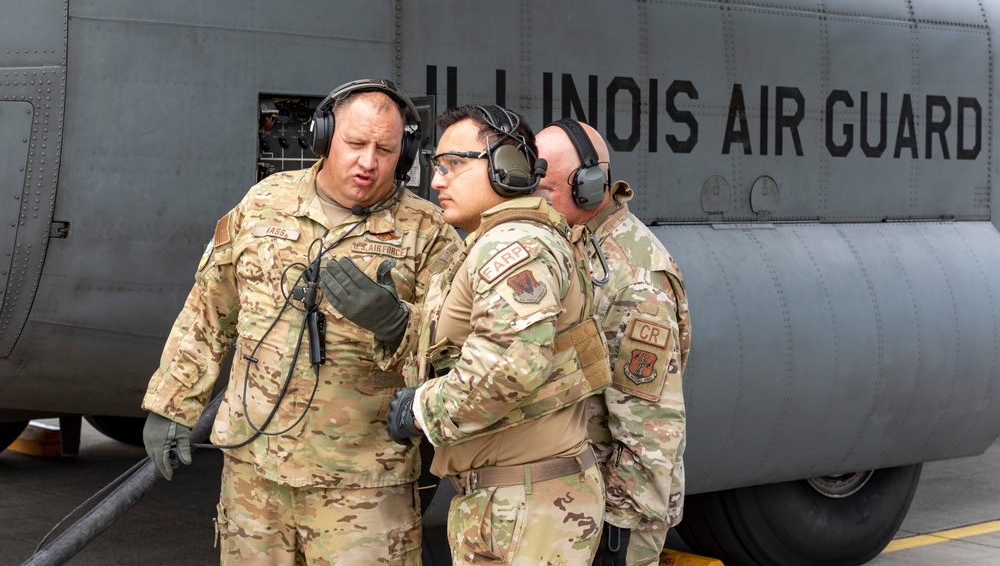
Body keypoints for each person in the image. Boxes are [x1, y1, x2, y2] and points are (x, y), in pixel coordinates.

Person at [140, 78, 460, 565]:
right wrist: (171, 403)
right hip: (255, 472)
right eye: (355, 144)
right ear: (325, 136)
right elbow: (210, 309)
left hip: (363, 481)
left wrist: (401, 324)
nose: (368, 162)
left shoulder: (427, 233)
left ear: (406, 152)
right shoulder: (264, 203)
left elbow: (460, 349)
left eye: (385, 149)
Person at [385, 105, 611, 565]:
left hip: (526, 508)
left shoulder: (514, 246)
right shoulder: (499, 240)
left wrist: (421, 410)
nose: (436, 181)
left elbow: (510, 364)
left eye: (452, 165)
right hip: (514, 502)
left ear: (506, 164)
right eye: (435, 166)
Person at [535, 118, 692, 566]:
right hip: (585, 500)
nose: (534, 200)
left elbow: (651, 428)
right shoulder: (579, 242)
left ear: (588, 187)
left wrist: (615, 534)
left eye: (545, 189)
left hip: (618, 514)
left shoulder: (633, 281)